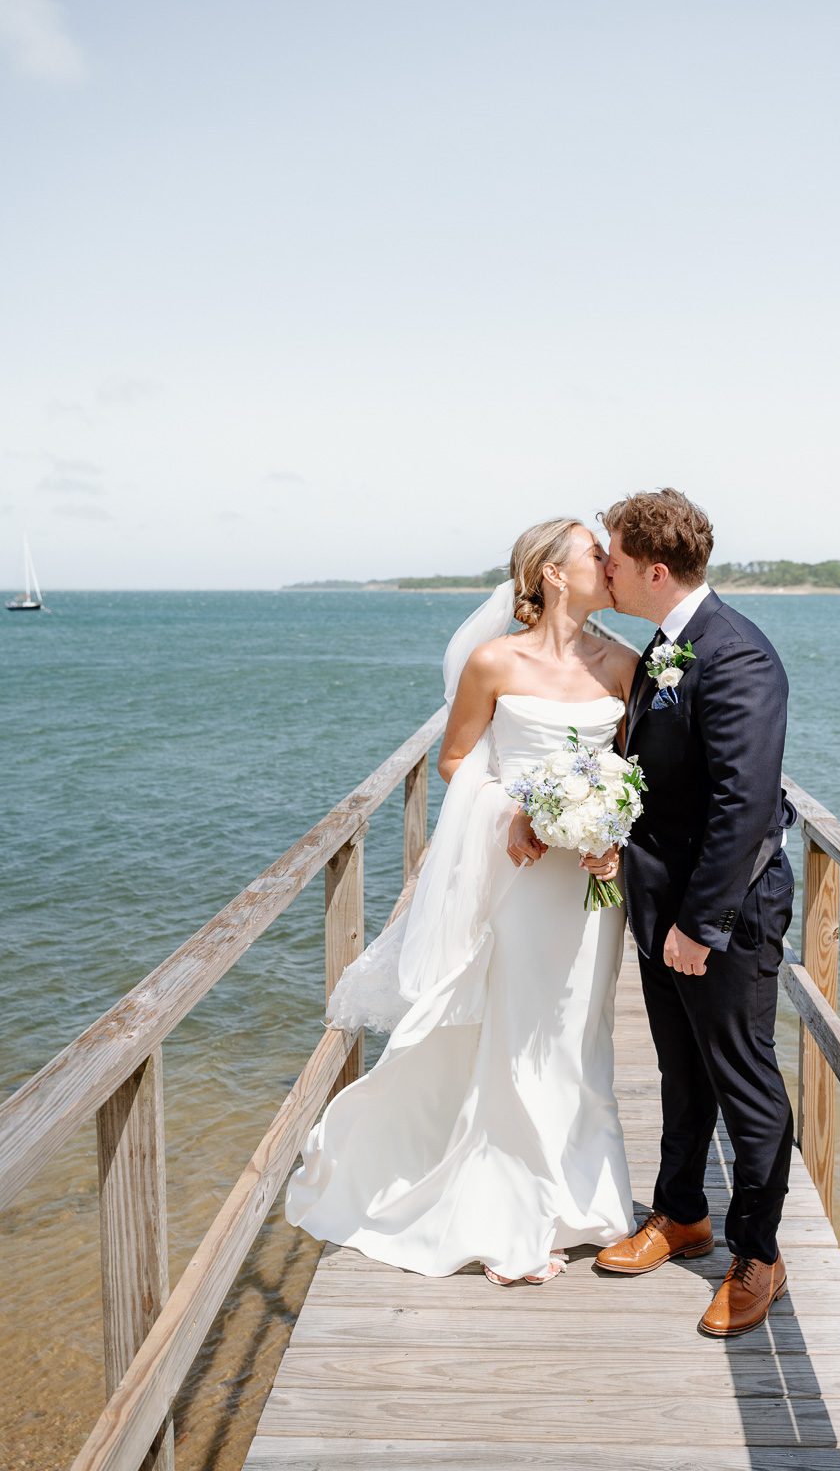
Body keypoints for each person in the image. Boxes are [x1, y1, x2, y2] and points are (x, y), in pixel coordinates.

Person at [284, 518, 640, 1284]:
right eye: (594, 556)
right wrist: (514, 811)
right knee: (516, 1031)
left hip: (588, 882)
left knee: (581, 1029)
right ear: (549, 572)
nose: (610, 565)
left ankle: (586, 1201)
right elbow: (452, 761)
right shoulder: (492, 661)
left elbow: (635, 771)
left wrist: (613, 829)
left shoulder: (623, 663)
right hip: (515, 873)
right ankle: (512, 1209)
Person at [596, 487, 797, 1337]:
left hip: (723, 915)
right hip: (658, 902)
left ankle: (758, 1255)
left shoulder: (735, 655)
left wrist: (699, 926)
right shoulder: (662, 650)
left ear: (650, 569)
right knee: (681, 1071)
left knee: (743, 1080)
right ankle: (680, 1215)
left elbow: (742, 805)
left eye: (609, 557)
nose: (600, 569)